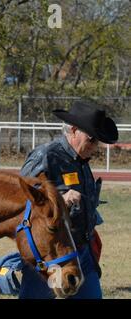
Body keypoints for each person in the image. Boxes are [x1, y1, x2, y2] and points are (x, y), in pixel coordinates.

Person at [18, 100, 118, 299]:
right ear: (73, 130)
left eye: (97, 141)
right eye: (92, 139)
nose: (95, 146)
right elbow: (23, 200)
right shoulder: (47, 156)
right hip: (54, 254)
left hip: (82, 252)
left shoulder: (81, 161)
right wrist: (61, 200)